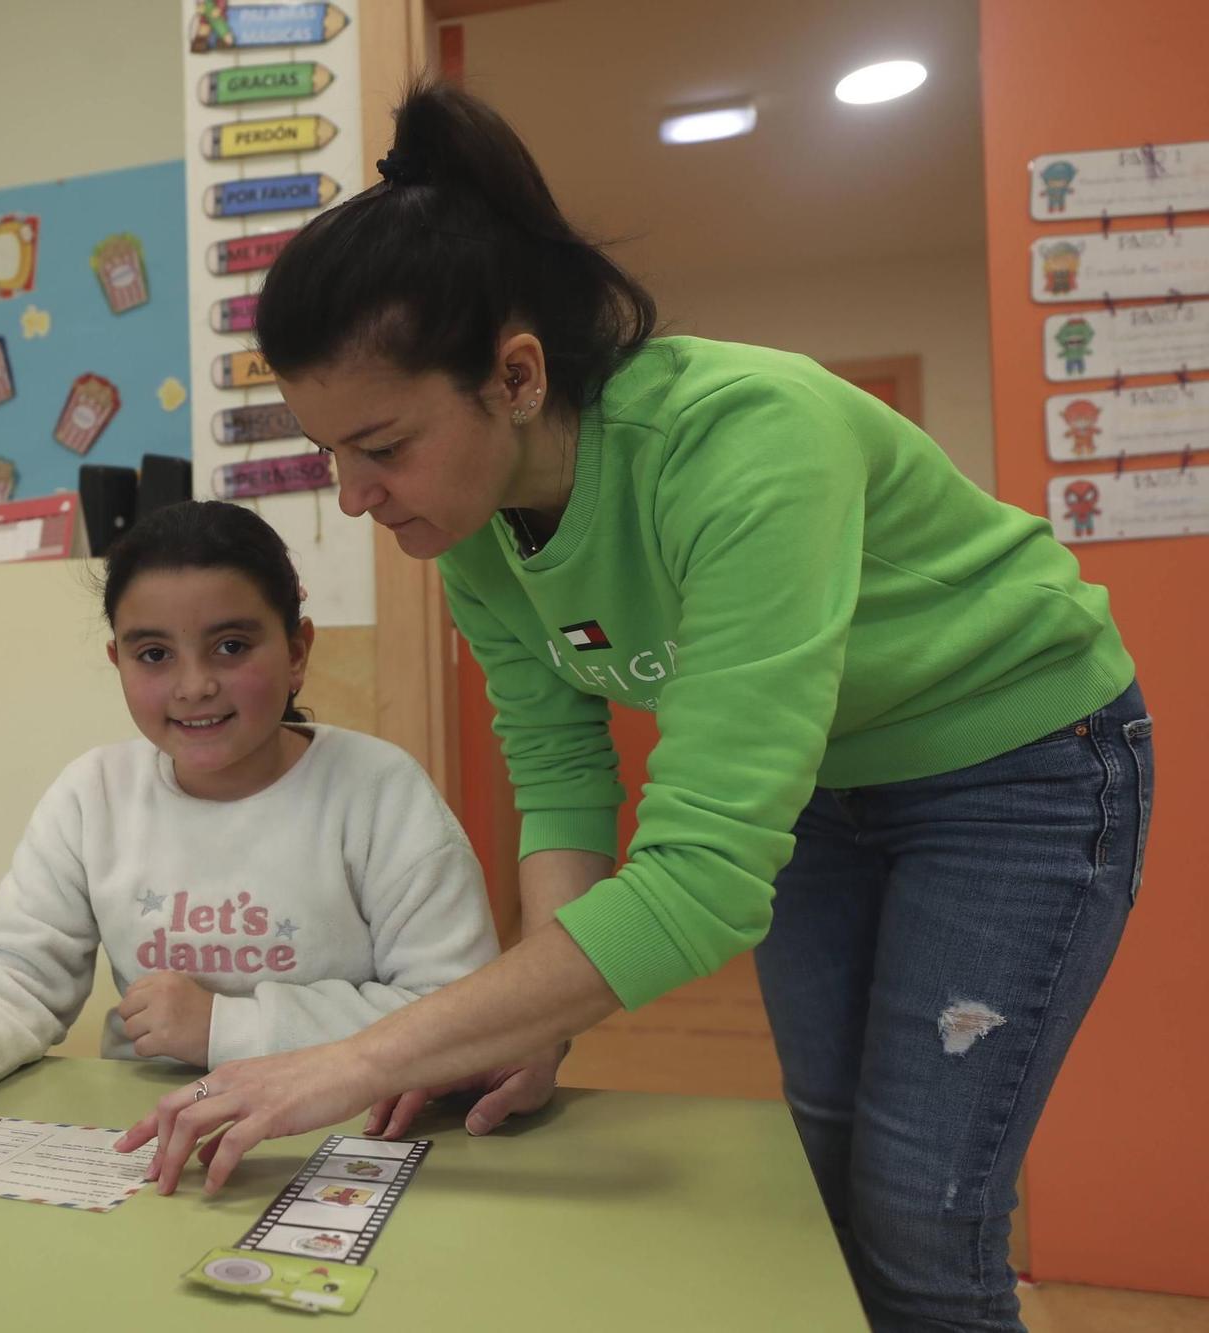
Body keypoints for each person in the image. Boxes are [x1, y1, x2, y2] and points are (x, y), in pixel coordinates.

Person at [117, 82, 1153, 1333]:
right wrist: (542, 1026)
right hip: (828, 779)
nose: (353, 497)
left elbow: (701, 877)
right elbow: (558, 771)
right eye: (328, 452)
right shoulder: (472, 534)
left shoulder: (742, 440)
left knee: (923, 1217)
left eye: (380, 445)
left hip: (1020, 758)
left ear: (513, 374)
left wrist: (351, 1059)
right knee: (821, 1171)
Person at [0, 499, 498, 1175]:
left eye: (232, 646)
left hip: (350, 1147)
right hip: (153, 1153)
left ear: (298, 648)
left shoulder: (380, 791)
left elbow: (461, 1009)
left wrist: (224, 1025)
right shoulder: (92, 796)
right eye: (154, 654)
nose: (194, 684)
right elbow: (11, 976)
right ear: (118, 661)